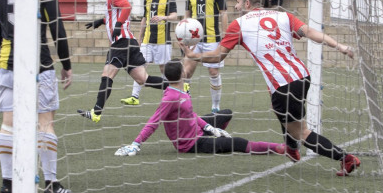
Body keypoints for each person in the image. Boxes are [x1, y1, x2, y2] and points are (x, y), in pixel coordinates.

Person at [181, 0, 361, 176]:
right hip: (301, 75)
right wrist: (339, 45)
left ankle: (345, 158)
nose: (236, 6)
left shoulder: (239, 24)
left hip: (282, 83)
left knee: (301, 132)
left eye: (239, 1)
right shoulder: (283, 15)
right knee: (281, 111)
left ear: (248, 3)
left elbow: (217, 56)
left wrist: (193, 56)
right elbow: (309, 32)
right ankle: (291, 148)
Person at [0, 0, 73, 193]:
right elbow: (56, 28)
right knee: (45, 122)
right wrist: (66, 64)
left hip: (9, 63)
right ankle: (50, 183)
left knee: (8, 124)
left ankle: (8, 182)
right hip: (40, 63)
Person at [114, 59, 288, 157]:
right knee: (238, 143)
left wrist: (208, 127)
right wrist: (136, 144)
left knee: (225, 114)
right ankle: (278, 148)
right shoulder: (171, 97)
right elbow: (154, 121)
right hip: (190, 143)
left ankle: (215, 134)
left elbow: (190, 113)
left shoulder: (181, 89)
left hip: (197, 129)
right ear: (182, 73)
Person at [78, 0, 167, 123]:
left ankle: (96, 112)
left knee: (107, 75)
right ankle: (178, 85)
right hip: (130, 43)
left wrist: (118, 26)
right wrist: (100, 21)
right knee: (143, 79)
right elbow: (115, 13)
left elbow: (127, 6)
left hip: (121, 43)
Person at [121, 0, 178, 105]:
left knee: (164, 69)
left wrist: (163, 17)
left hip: (163, 41)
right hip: (147, 40)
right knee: (140, 66)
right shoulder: (147, 0)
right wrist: (139, 39)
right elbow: (144, 20)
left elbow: (174, 16)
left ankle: (168, 97)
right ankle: (134, 96)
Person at [184, 0, 228, 113]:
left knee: (213, 72)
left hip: (212, 38)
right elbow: (187, 15)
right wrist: (184, 34)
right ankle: (186, 105)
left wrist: (226, 36)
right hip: (194, 39)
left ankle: (215, 106)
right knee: (187, 72)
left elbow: (223, 14)